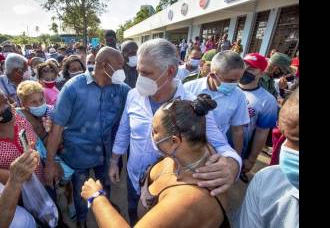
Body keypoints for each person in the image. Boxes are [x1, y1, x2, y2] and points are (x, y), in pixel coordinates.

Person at [110, 39, 241, 226]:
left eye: (146, 73)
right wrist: (114, 161)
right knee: (134, 214)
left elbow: (222, 146)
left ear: (170, 71)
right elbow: (124, 130)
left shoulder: (191, 104)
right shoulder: (133, 95)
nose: (140, 79)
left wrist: (231, 166)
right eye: (139, 72)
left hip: (168, 188)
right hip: (134, 177)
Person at [82, 96, 230, 228]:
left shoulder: (186, 199)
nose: (150, 135)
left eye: (154, 131)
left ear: (174, 141)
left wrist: (96, 198)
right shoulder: (193, 153)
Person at [46, 46, 130, 228]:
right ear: (103, 65)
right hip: (77, 153)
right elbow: (56, 128)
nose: (123, 70)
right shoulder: (73, 88)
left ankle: (104, 215)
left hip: (105, 153)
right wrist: (50, 162)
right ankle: (82, 221)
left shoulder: (122, 89)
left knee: (104, 186)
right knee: (80, 191)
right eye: (119, 65)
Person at [236, 87, 298, 228]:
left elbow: (261, 132)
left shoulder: (267, 101)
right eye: (284, 137)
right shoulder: (267, 180)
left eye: (297, 142)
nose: (286, 148)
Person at [184, 50, 250, 154]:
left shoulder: (239, 96)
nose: (235, 84)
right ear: (213, 75)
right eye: (231, 80)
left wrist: (237, 158)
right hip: (186, 149)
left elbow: (237, 130)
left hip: (216, 151)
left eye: (238, 80)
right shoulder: (189, 88)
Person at [236, 53, 278, 181]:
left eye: (251, 69)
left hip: (239, 153)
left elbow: (262, 132)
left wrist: (251, 159)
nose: (245, 71)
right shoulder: (226, 88)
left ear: (261, 73)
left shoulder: (268, 100)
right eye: (244, 66)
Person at [16, 80, 53, 145]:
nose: (39, 104)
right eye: (33, 102)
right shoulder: (23, 119)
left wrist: (52, 131)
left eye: (41, 100)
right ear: (24, 105)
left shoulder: (53, 112)